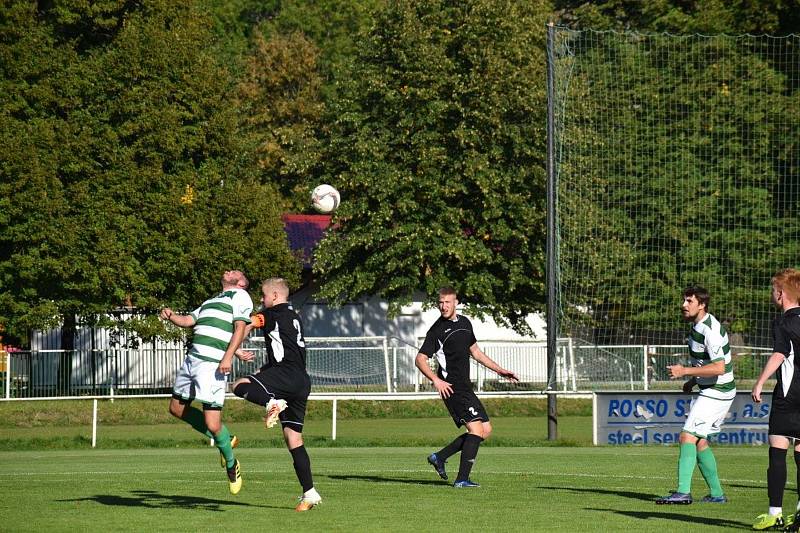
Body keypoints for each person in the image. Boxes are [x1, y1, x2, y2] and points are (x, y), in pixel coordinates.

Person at [231, 278, 322, 511]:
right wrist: (265, 370)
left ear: (273, 295)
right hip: (301, 380)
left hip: (286, 376)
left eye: (262, 296)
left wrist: (235, 349)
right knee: (294, 438)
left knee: (238, 385)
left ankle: (273, 402)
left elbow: (248, 323)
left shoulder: (272, 313)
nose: (261, 300)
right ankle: (309, 493)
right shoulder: (293, 315)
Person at [160, 269, 253, 495]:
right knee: (176, 409)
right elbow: (189, 320)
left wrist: (229, 356)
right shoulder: (211, 300)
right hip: (192, 361)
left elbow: (240, 327)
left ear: (240, 283)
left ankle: (232, 466)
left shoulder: (240, 296)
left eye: (236, 272)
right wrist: (171, 316)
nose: (229, 270)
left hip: (212, 365)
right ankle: (226, 439)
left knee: (212, 424)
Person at [415, 286, 519, 488]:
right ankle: (462, 479)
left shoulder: (465, 323)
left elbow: (476, 352)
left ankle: (440, 457)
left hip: (465, 387)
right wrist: (436, 381)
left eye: (447, 302)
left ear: (456, 303)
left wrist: (500, 370)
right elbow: (420, 359)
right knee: (476, 429)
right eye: (440, 302)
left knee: (485, 430)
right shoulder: (436, 330)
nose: (443, 306)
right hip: (452, 389)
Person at [655, 285, 735, 505]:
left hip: (718, 391)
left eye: (689, 301)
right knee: (699, 442)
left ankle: (682, 492)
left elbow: (719, 368)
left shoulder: (710, 330)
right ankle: (717, 494)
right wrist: (692, 381)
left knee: (687, 436)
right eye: (684, 300)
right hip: (712, 390)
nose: (684, 305)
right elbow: (706, 362)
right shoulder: (697, 326)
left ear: (702, 305)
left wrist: (685, 371)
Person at [751, 269, 800, 531]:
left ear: (781, 294)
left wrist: (759, 382)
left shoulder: (782, 322)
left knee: (777, 451)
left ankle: (775, 513)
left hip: (789, 396)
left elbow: (780, 354)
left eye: (773, 290)